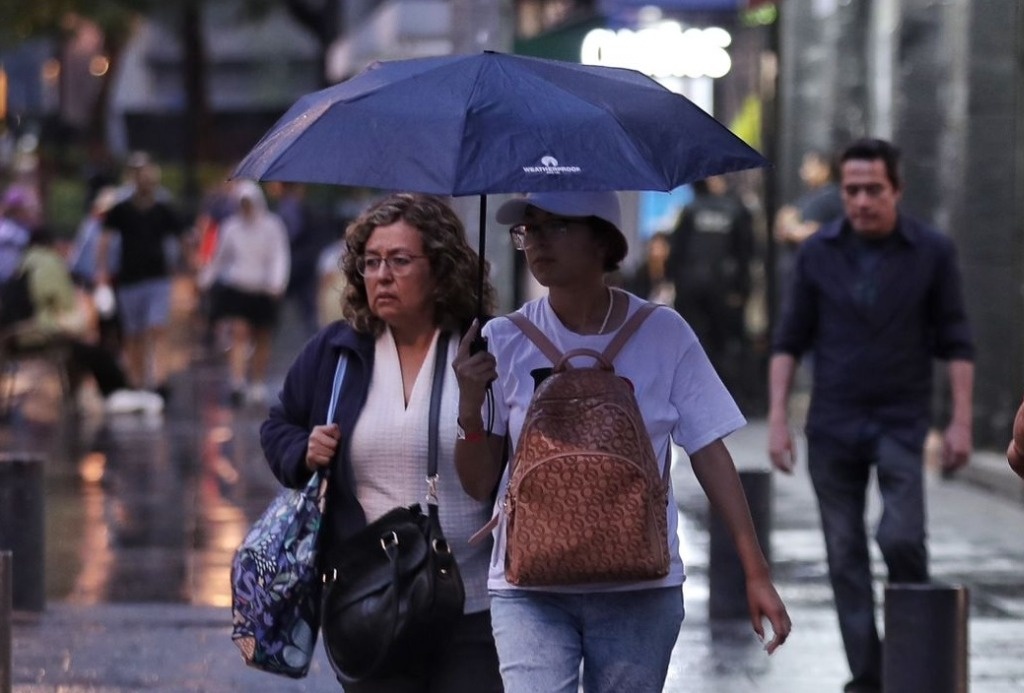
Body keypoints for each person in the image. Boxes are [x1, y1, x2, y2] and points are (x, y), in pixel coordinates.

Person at [452, 190, 790, 693]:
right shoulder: (502, 340)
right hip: (530, 585)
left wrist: (755, 571)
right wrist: (468, 403)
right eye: (528, 230)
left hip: (640, 585)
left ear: (602, 240)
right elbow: (479, 484)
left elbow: (709, 452)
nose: (537, 242)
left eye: (556, 226)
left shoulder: (663, 333)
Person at [260, 193, 503, 692]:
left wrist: (475, 399)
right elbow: (278, 424)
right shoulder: (337, 352)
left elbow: (498, 476)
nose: (381, 275)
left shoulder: (487, 351)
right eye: (370, 262)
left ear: (440, 270)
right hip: (376, 603)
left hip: (476, 609)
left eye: (399, 260)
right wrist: (303, 449)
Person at [767, 138, 974, 693]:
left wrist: (960, 423)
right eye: (851, 190)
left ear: (897, 191)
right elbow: (789, 339)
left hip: (901, 420)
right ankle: (871, 672)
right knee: (843, 553)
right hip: (832, 423)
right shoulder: (817, 253)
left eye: (872, 190)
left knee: (902, 537)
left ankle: (913, 651)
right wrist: (779, 420)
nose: (860, 201)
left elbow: (957, 341)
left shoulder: (931, 251)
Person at [8, 226, 163, 416]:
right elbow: (60, 301)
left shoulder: (24, 263)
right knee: (91, 352)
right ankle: (119, 392)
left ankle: (106, 394)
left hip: (20, 333)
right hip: (38, 332)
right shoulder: (47, 263)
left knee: (84, 352)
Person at [97, 161, 188, 402]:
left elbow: (181, 237)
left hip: (157, 277)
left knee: (157, 328)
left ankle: (159, 379)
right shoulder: (121, 209)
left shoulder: (163, 209)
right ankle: (137, 380)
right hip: (130, 279)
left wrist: (191, 265)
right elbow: (105, 240)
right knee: (134, 333)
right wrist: (103, 270)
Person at [199, 181, 290, 407]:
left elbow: (279, 255)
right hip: (239, 288)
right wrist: (206, 278)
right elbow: (220, 257)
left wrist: (277, 282)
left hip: (263, 290)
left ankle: (257, 383)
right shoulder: (231, 227)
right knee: (239, 333)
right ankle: (238, 382)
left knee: (262, 338)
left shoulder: (272, 226)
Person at [667, 175, 754, 403]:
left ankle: (695, 395)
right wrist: (742, 289)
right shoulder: (736, 210)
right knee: (724, 342)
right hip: (724, 287)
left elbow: (676, 249)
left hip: (691, 284)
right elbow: (746, 252)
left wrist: (672, 280)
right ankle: (725, 397)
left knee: (694, 339)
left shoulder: (691, 209)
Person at [773, 149, 843, 305]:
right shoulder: (810, 197)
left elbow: (810, 233)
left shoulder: (829, 197)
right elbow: (782, 219)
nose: (803, 171)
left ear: (824, 169)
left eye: (809, 165)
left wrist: (791, 228)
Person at [623, 230, 674, 306]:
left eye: (659, 248)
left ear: (667, 251)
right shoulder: (637, 279)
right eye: (652, 249)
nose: (655, 254)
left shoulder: (674, 277)